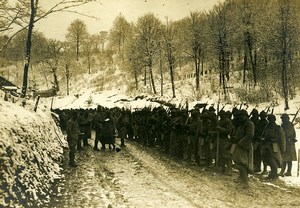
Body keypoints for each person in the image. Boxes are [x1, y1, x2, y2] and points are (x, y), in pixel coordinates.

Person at [231, 109, 254, 187]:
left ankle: (245, 182)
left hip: (244, 146)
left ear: (245, 116)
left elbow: (250, 135)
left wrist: (241, 143)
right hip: (239, 145)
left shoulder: (249, 124)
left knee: (242, 164)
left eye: (241, 116)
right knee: (238, 162)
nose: (240, 118)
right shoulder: (242, 124)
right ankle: (241, 178)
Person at [261, 114, 286, 180]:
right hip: (267, 146)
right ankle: (272, 174)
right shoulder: (267, 127)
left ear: (274, 120)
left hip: (275, 146)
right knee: (268, 160)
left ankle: (274, 175)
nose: (270, 121)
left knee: (274, 160)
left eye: (271, 119)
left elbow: (282, 139)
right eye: (269, 119)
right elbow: (263, 135)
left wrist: (282, 149)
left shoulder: (278, 128)